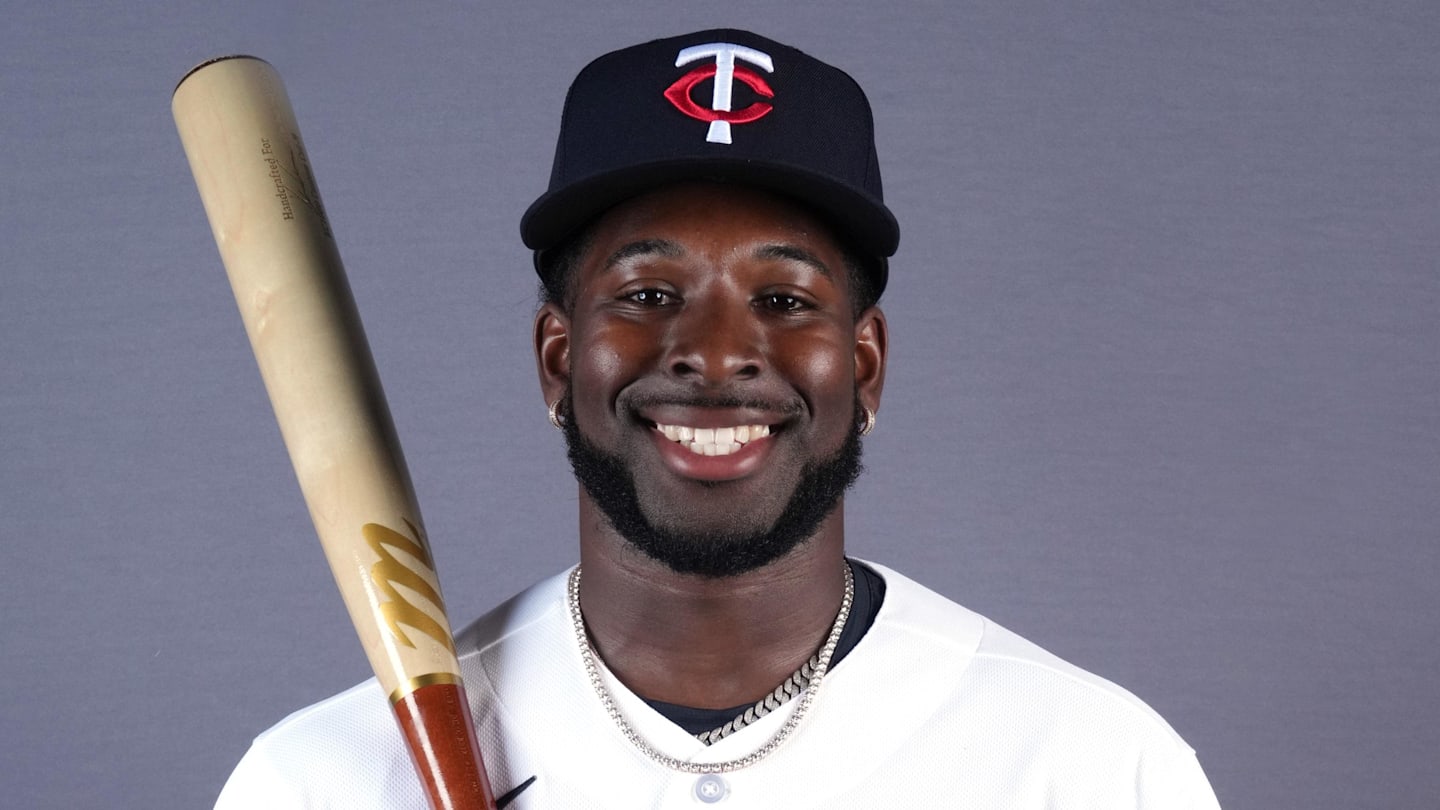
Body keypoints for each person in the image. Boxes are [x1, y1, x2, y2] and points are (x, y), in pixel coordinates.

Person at [215, 29, 1221, 808]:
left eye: (783, 300)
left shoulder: (1090, 764)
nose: (714, 351)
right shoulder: (320, 782)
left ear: (865, 367)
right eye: (649, 294)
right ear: (558, 361)